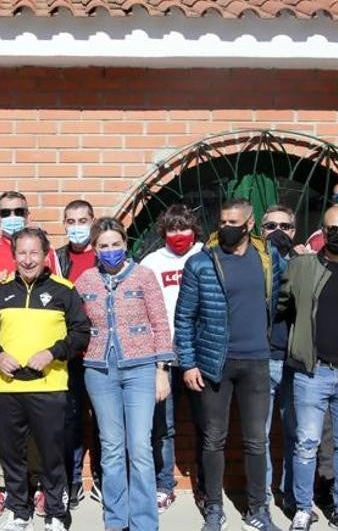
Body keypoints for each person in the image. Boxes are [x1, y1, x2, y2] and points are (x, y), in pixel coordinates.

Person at [174, 198, 284, 531]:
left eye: (233, 222)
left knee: (256, 440)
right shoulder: (201, 263)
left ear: (249, 224)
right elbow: (184, 317)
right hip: (214, 362)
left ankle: (257, 510)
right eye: (222, 221)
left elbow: (279, 299)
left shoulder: (268, 259)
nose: (226, 228)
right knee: (213, 439)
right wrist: (189, 364)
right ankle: (213, 507)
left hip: (257, 362)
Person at [277, 204, 338, 531]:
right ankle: (304, 508)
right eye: (331, 229)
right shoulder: (301, 267)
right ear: (322, 232)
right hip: (311, 372)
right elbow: (282, 305)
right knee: (307, 443)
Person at [0, 228, 91, 531]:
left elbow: (81, 332)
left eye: (35, 253)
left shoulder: (64, 290)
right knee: (11, 454)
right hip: (7, 388)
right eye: (22, 253)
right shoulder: (0, 291)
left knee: (51, 454)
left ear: (46, 256)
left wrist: (53, 353)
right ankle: (20, 512)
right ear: (14, 255)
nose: (28, 259)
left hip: (49, 386)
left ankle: (56, 513)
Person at [75, 217, 174, 531]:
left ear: (125, 244)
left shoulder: (144, 276)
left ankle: (144, 522)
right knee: (112, 447)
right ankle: (116, 521)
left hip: (141, 369)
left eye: (115, 244)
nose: (110, 250)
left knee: (140, 447)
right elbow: (75, 324)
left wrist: (162, 371)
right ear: (95, 248)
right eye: (103, 246)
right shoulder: (86, 281)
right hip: (99, 371)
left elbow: (160, 324)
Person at [0, 191, 59, 518]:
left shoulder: (43, 252)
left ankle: (37, 485)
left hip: (38, 357)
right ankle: (3, 486)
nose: (12, 216)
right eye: (5, 211)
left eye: (18, 210)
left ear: (28, 213)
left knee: (38, 425)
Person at [139, 204, 204, 513]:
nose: (179, 235)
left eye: (185, 228)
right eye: (172, 228)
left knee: (207, 426)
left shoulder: (206, 254)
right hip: (163, 357)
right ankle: (164, 485)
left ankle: (206, 487)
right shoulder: (151, 261)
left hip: (200, 355)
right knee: (162, 427)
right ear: (163, 231)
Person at [54, 199, 98, 508]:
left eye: (82, 220)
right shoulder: (57, 259)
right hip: (68, 352)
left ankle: (101, 479)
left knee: (103, 420)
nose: (77, 226)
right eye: (71, 221)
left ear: (93, 221)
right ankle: (71, 483)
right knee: (68, 421)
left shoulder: (107, 254)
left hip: (99, 351)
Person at [261, 204, 299, 512]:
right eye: (270, 225)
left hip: (295, 360)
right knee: (257, 435)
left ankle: (291, 495)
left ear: (294, 231)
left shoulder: (305, 265)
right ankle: (260, 497)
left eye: (284, 226)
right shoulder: (253, 264)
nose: (277, 231)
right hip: (261, 358)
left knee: (296, 434)